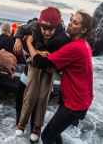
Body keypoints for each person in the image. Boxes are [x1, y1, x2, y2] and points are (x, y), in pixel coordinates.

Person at [29, 11, 95, 144]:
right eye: (71, 20)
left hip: (75, 103)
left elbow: (39, 63)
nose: (70, 23)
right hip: (79, 98)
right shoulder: (84, 44)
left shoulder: (75, 47)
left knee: (47, 136)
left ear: (83, 30)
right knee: (54, 133)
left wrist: (29, 43)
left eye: (75, 23)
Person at [15, 7, 70, 142]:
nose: (46, 32)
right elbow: (21, 29)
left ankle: (36, 129)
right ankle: (21, 125)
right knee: (29, 95)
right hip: (34, 65)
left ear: (57, 27)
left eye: (50, 29)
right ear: (39, 24)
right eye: (43, 28)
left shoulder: (62, 37)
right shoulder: (34, 26)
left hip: (48, 66)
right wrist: (17, 39)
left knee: (43, 97)